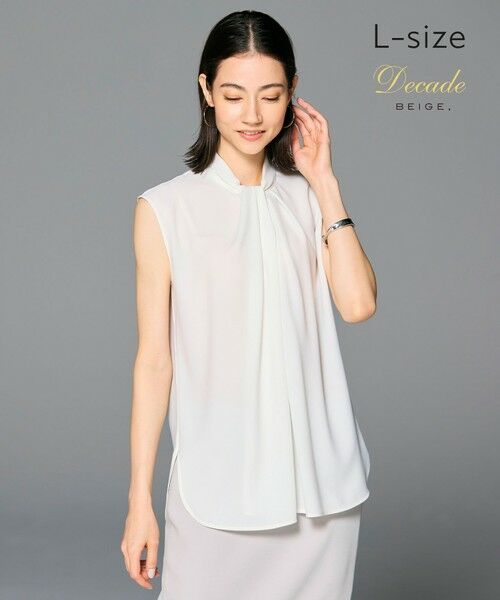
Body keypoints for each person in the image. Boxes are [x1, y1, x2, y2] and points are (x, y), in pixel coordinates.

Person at [121, 9, 377, 600]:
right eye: (235, 96)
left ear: (293, 93)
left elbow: (358, 305)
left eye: (271, 95)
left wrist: (325, 182)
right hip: (216, 486)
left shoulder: (309, 199)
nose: (253, 115)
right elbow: (154, 362)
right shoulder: (165, 209)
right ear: (207, 90)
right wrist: (139, 501)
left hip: (321, 491)